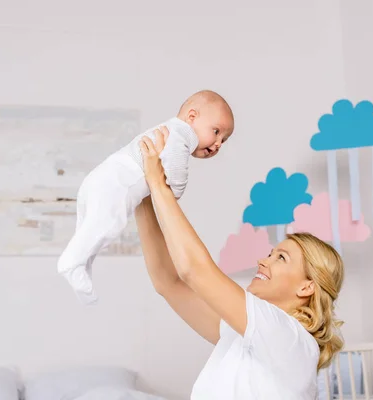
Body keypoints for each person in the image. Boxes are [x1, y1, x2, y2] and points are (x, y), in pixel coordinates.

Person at [135, 126, 345, 399]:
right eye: (271, 253)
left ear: (307, 287)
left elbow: (193, 271)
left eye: (280, 258)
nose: (263, 261)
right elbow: (168, 283)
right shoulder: (244, 334)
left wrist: (158, 184)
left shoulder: (291, 338)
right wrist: (143, 198)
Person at [58, 90, 234, 304]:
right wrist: (175, 191)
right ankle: (70, 263)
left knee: (92, 230)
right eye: (216, 131)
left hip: (101, 178)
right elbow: (176, 170)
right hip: (115, 182)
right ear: (192, 117)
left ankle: (80, 269)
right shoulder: (181, 133)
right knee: (106, 225)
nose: (217, 144)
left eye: (223, 140)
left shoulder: (170, 130)